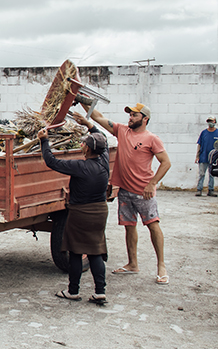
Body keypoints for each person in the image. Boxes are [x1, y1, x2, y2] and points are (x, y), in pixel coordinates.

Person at [86, 102, 172, 284]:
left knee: (153, 225)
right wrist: (85, 101)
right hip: (124, 190)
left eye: (134, 115)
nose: (130, 118)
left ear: (145, 119)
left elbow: (166, 162)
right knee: (129, 226)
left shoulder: (152, 139)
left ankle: (161, 266)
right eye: (130, 115)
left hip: (144, 192)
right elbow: (99, 118)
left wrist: (152, 183)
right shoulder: (122, 131)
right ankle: (133, 264)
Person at [39, 112, 110, 304]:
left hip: (81, 213)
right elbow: (104, 141)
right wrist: (88, 124)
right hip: (100, 212)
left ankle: (73, 291)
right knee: (95, 251)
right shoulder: (104, 162)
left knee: (76, 252)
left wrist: (44, 141)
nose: (81, 145)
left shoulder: (81, 167)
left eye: (83, 143)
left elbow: (51, 161)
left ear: (87, 149)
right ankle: (100, 292)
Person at [195, 115, 218, 196]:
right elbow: (199, 145)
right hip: (203, 157)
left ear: (215, 122)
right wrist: (197, 156)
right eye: (209, 121)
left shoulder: (217, 132)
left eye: (212, 121)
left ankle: (210, 190)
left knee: (211, 174)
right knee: (202, 174)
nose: (210, 123)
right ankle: (199, 189)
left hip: (213, 158)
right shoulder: (204, 133)